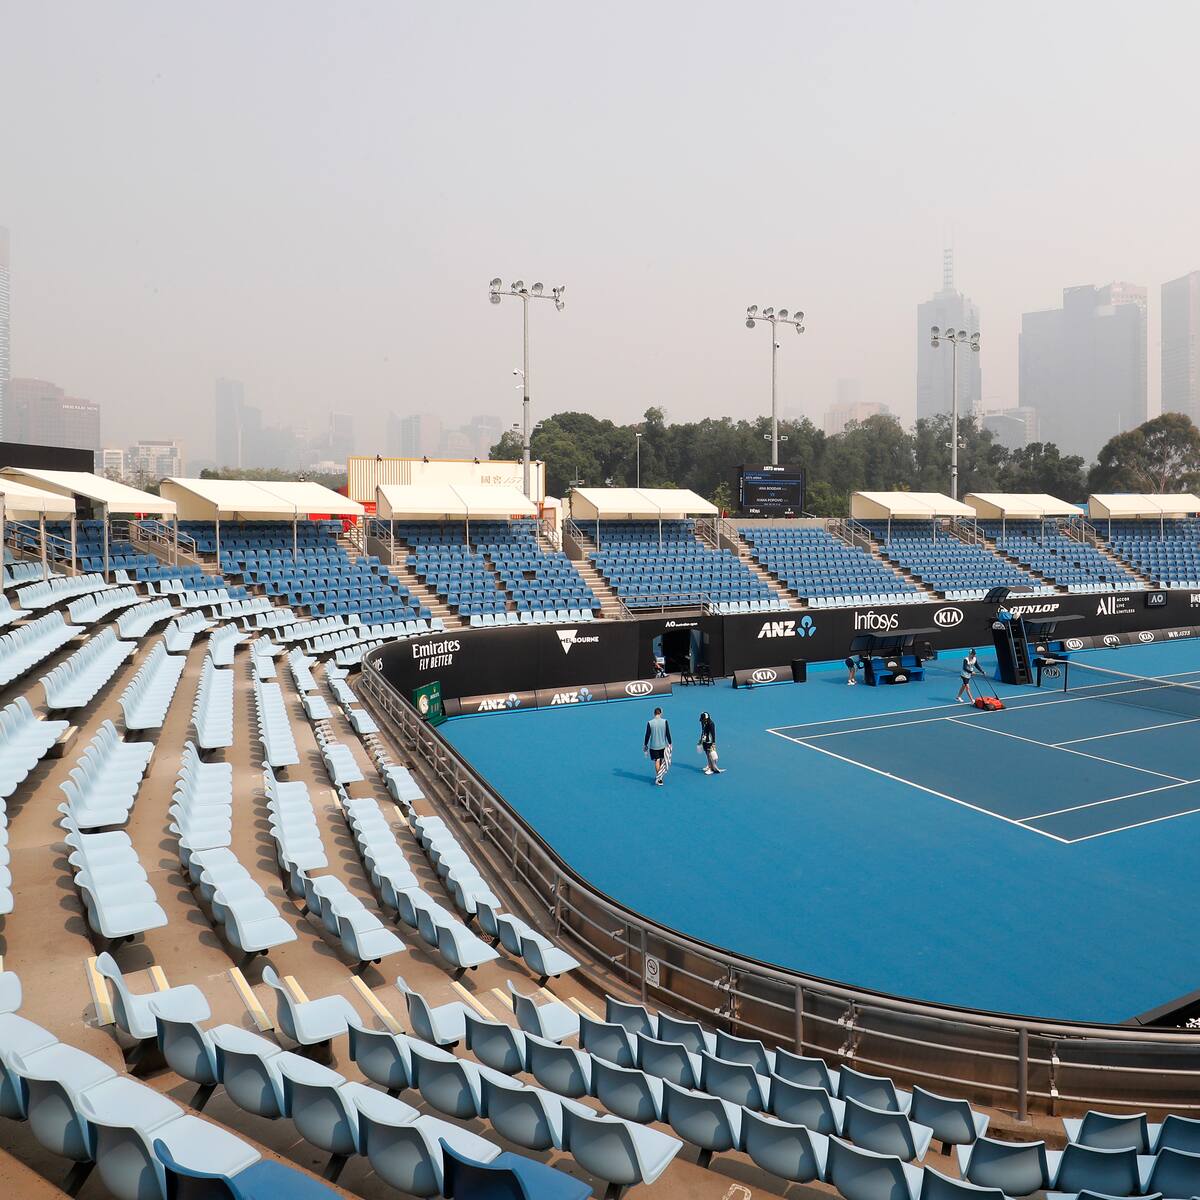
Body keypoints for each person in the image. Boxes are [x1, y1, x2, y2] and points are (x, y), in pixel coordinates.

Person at [643, 706, 672, 785]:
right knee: (662, 760)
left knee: (657, 760)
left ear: (654, 713)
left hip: (653, 746)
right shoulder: (665, 721)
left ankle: (659, 778)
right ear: (660, 713)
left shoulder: (650, 722)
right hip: (663, 746)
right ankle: (660, 777)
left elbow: (647, 735)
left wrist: (645, 744)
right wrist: (670, 743)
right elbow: (667, 733)